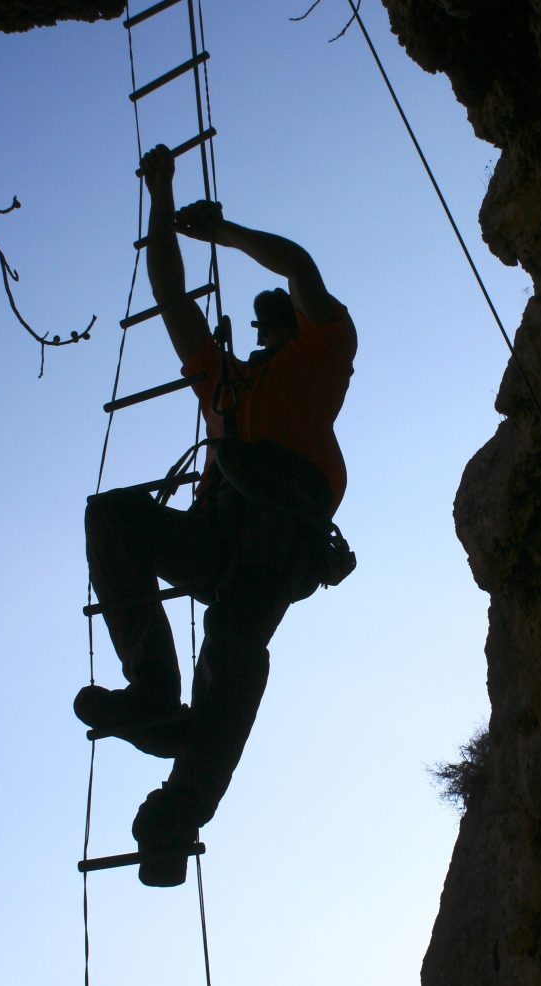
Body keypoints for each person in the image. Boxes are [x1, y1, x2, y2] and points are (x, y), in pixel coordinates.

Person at [75, 144, 356, 887]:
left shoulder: (323, 353)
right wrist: (161, 204)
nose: (269, 331)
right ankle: (152, 690)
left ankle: (181, 809)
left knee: (233, 644)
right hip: (219, 530)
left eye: (276, 323)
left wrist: (223, 234)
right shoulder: (224, 382)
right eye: (266, 326)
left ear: (292, 328)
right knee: (112, 519)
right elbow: (171, 298)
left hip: (277, 528)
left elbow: (298, 268)